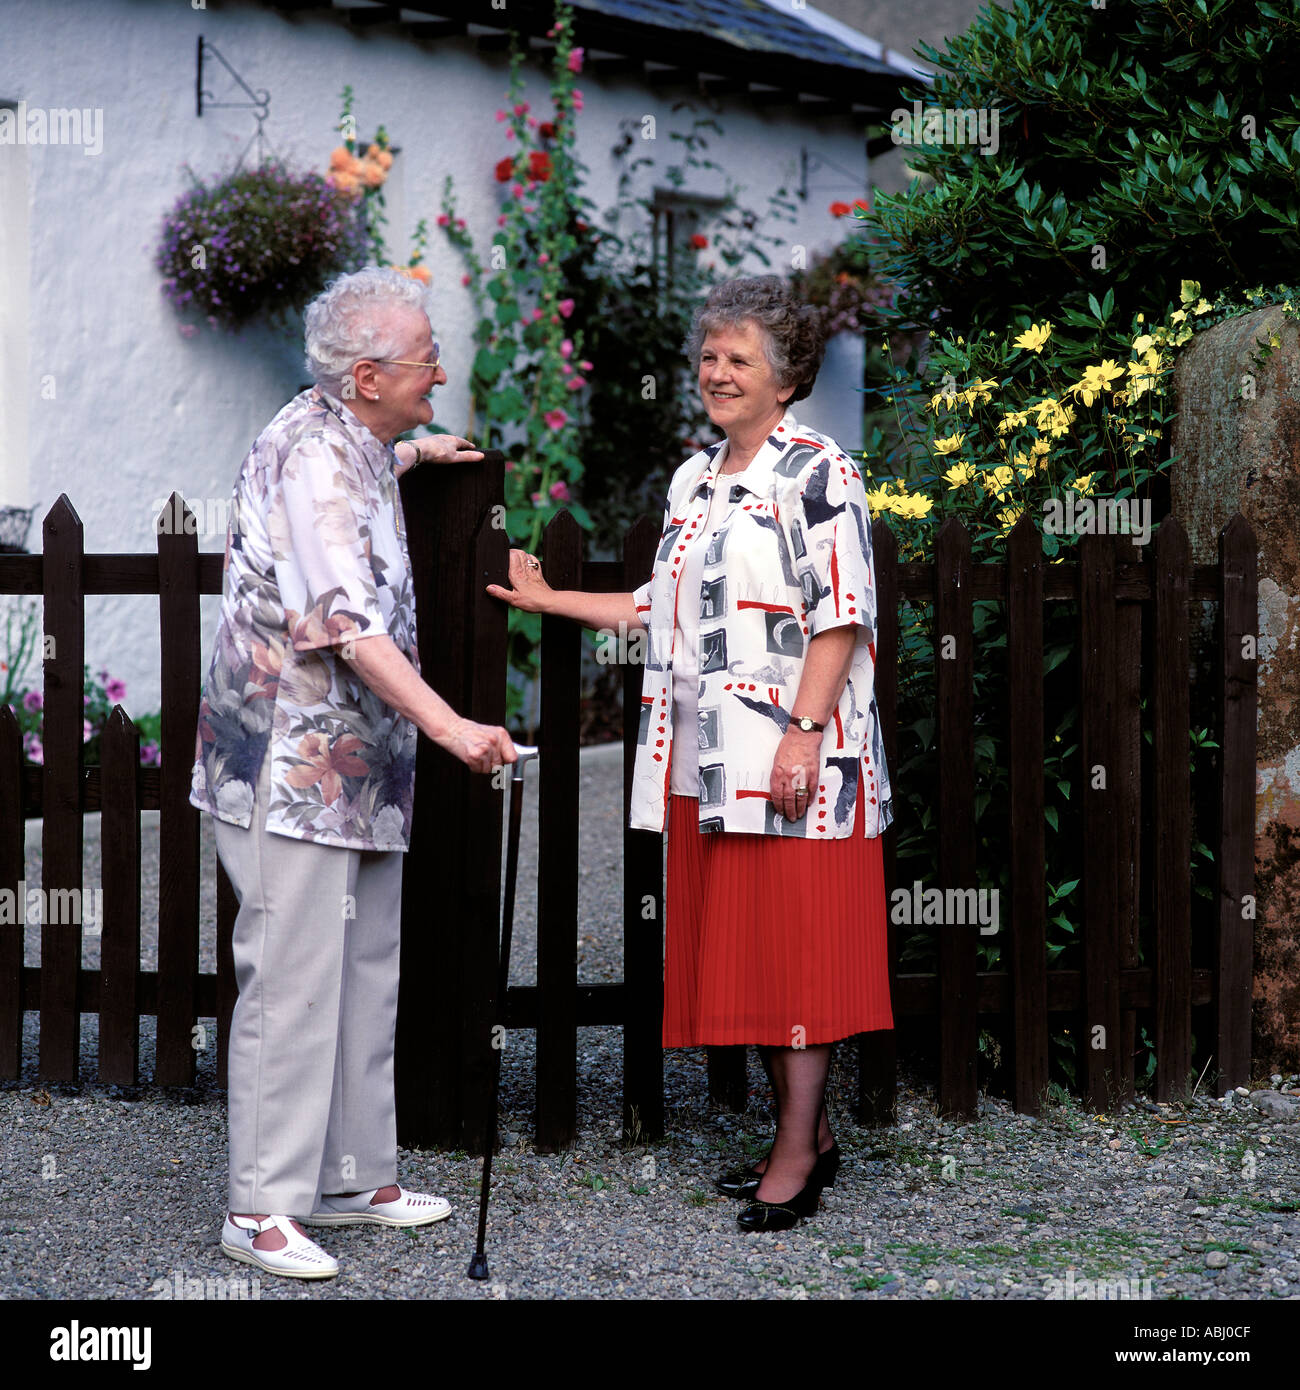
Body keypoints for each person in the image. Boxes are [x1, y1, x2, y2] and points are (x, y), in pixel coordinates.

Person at [487, 274, 893, 1232]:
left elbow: (841, 618)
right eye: (709, 357)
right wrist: (551, 602)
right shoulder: (694, 478)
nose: (717, 373)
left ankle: (796, 1153)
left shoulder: (818, 470)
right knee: (753, 952)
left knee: (797, 957)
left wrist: (801, 738)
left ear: (786, 377)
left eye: (739, 359)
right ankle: (812, 1133)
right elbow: (655, 608)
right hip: (710, 764)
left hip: (798, 763)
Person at [190, 266, 516, 1278]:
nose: (442, 371)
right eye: (426, 361)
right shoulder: (318, 459)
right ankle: (259, 1206)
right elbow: (346, 622)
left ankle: (346, 1174)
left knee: (363, 967)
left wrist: (417, 451)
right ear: (368, 375)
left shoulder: (360, 437)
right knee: (290, 980)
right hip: (291, 759)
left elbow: (366, 485)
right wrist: (455, 725)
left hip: (357, 767)